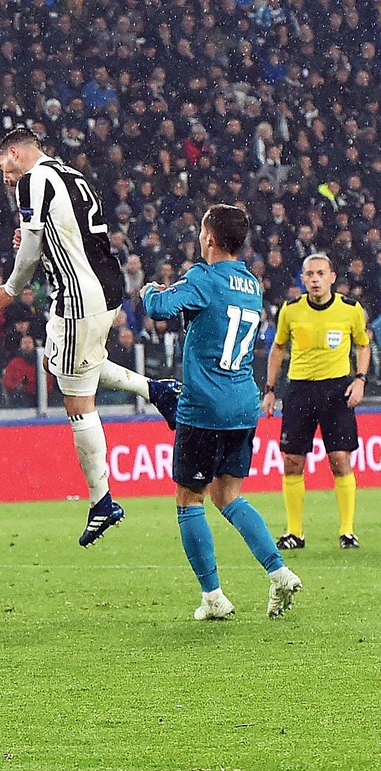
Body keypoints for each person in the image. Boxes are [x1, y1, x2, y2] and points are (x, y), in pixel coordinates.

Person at [0, 126, 182, 546]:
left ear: (14, 154)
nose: (4, 178)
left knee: (77, 400)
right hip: (101, 288)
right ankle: (157, 391)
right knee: (71, 365)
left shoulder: (32, 180)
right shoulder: (69, 174)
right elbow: (69, 233)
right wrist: (34, 237)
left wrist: (11, 289)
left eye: (2, 167)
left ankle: (101, 499)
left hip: (77, 294)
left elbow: (35, 242)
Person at [141, 204, 302, 619]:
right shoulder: (251, 284)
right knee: (228, 495)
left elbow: (159, 310)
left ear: (209, 238)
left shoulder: (202, 278)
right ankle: (278, 571)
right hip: (243, 405)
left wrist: (149, 291)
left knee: (188, 500)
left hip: (205, 408)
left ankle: (213, 597)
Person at [263, 254, 369, 550]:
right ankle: (295, 532)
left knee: (340, 460)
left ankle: (347, 531)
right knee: (292, 461)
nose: (314, 279)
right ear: (303, 278)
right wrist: (270, 389)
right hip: (299, 391)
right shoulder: (291, 310)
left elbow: (363, 344)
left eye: (320, 273)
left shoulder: (350, 309)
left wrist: (360, 379)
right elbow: (278, 348)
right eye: (309, 274)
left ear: (332, 277)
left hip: (337, 391)